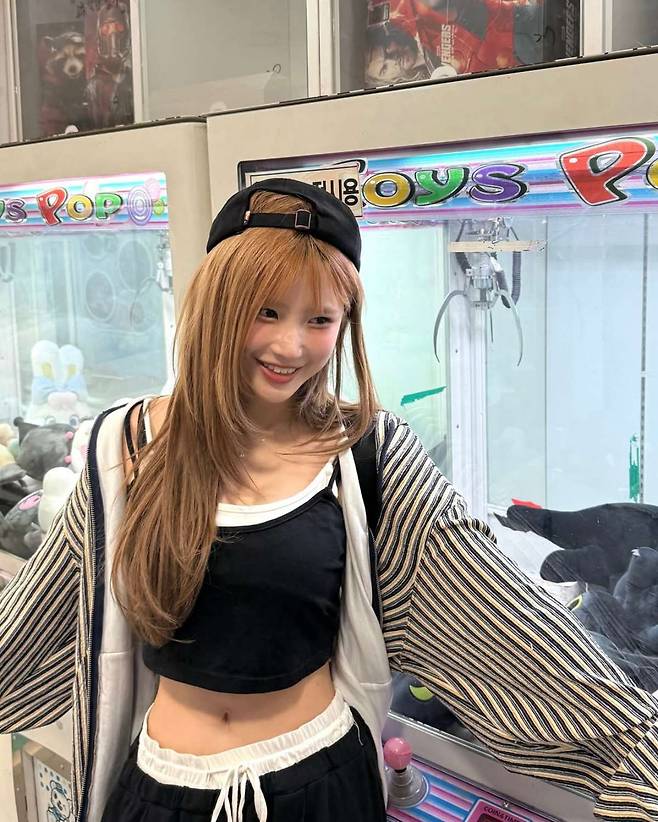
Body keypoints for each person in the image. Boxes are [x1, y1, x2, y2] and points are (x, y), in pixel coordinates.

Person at [2, 178, 658, 822]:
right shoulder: (125, 445)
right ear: (215, 306)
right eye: (266, 311)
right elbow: (37, 621)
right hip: (159, 791)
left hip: (318, 783)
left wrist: (634, 745)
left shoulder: (368, 454)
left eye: (319, 319)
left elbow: (496, 616)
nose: (290, 346)